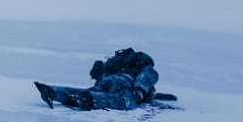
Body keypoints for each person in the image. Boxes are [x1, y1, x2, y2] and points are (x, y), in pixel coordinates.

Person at [34, 47, 162, 111]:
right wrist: (139, 90)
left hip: (105, 81)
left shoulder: (114, 63)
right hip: (123, 81)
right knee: (126, 101)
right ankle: (90, 99)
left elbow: (98, 77)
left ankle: (53, 91)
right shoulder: (142, 64)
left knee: (90, 91)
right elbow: (147, 75)